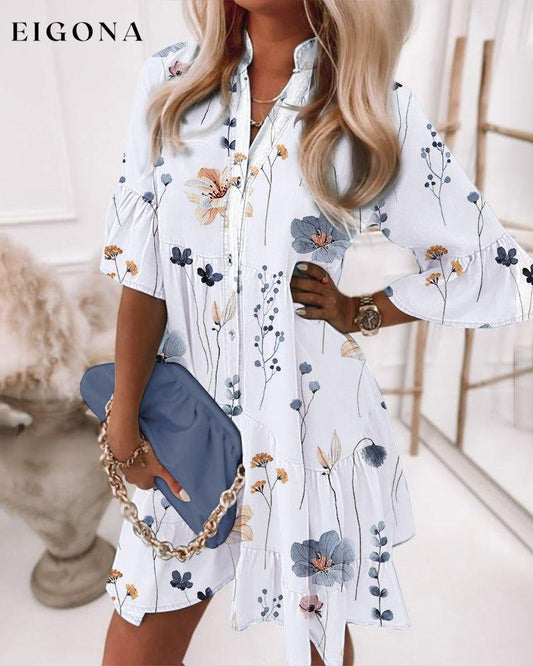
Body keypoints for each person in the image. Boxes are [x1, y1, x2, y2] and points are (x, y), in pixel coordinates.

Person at [98, 1, 533, 665]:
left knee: (315, 633)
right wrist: (123, 413)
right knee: (138, 630)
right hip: (187, 417)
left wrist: (362, 311)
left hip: (310, 424)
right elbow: (144, 267)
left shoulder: (372, 108)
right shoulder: (172, 80)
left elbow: (491, 267)